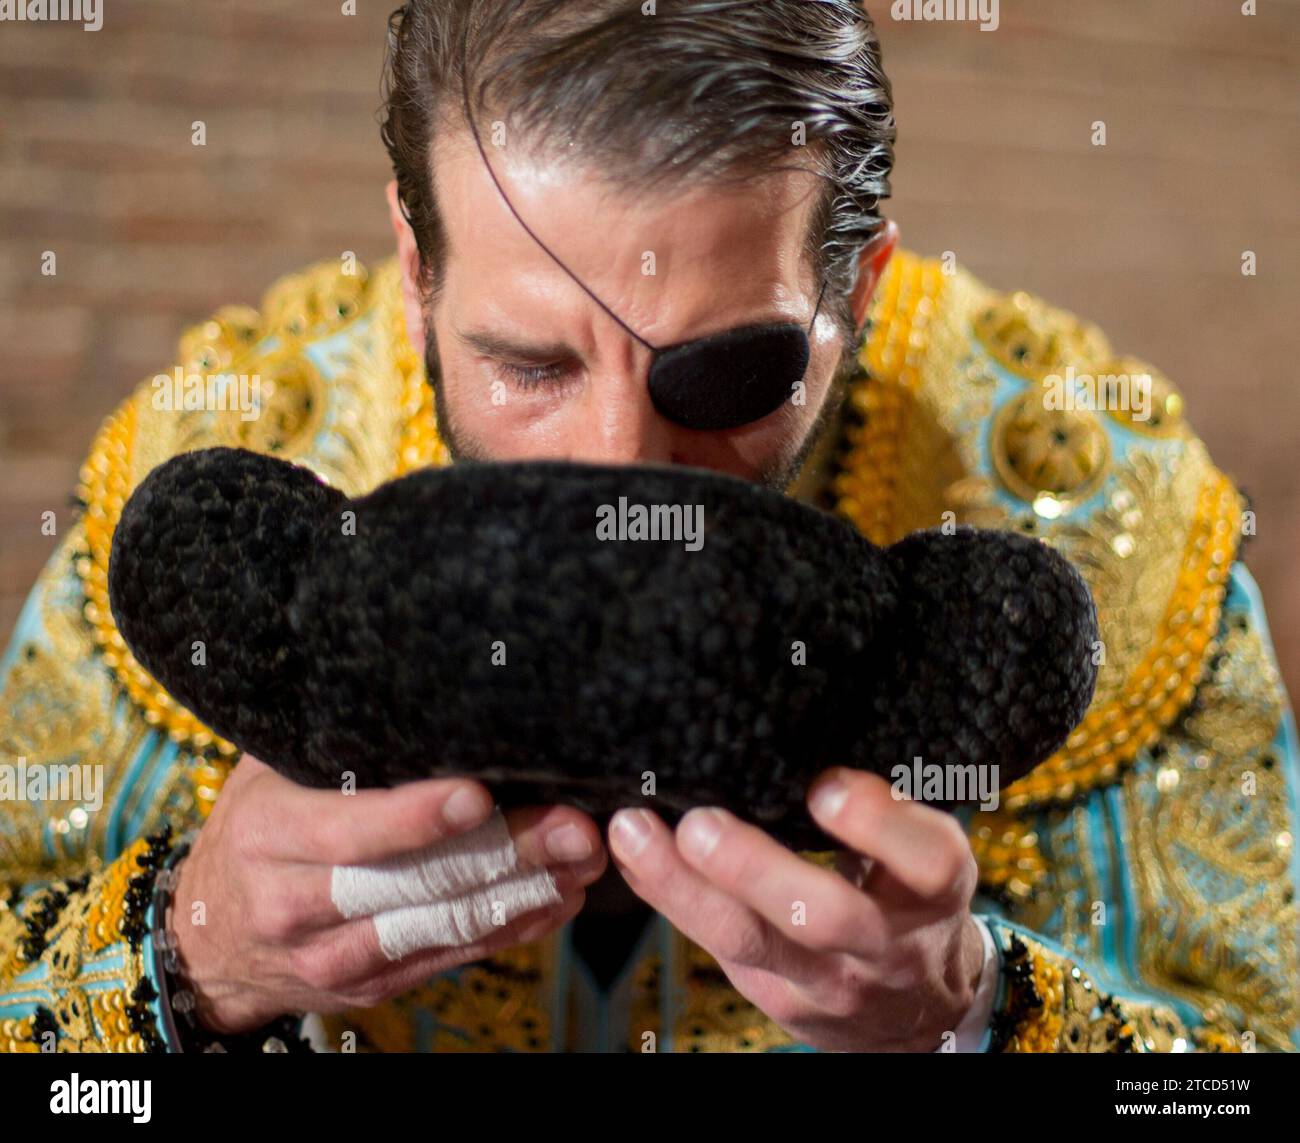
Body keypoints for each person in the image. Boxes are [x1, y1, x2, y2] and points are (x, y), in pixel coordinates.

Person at [1, 0, 1295, 1053]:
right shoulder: (207, 468)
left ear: (860, 291)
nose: (623, 477)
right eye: (529, 364)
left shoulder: (1111, 506)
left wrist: (974, 1016)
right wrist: (192, 960)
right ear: (415, 270)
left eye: (725, 380)